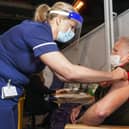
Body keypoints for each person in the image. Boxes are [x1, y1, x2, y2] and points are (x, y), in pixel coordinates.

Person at [0, 1, 127, 129]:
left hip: (11, 91)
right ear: (59, 20)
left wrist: (102, 78)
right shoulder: (36, 31)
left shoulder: (45, 39)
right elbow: (68, 72)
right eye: (71, 26)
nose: (71, 32)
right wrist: (112, 76)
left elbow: (62, 76)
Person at [70, 37, 129, 126]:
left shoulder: (123, 77)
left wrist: (80, 122)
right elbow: (103, 97)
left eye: (115, 51)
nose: (111, 54)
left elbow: (100, 112)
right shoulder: (117, 73)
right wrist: (83, 107)